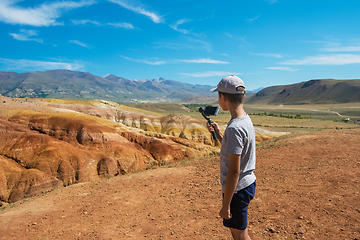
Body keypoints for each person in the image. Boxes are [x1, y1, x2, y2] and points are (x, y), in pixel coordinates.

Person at [207, 75, 256, 240]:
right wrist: (219, 134)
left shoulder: (234, 128)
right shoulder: (244, 120)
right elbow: (234, 150)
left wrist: (226, 205)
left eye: (218, 96)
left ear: (223, 97)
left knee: (240, 235)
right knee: (239, 233)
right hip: (246, 184)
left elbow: (234, 172)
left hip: (237, 189)